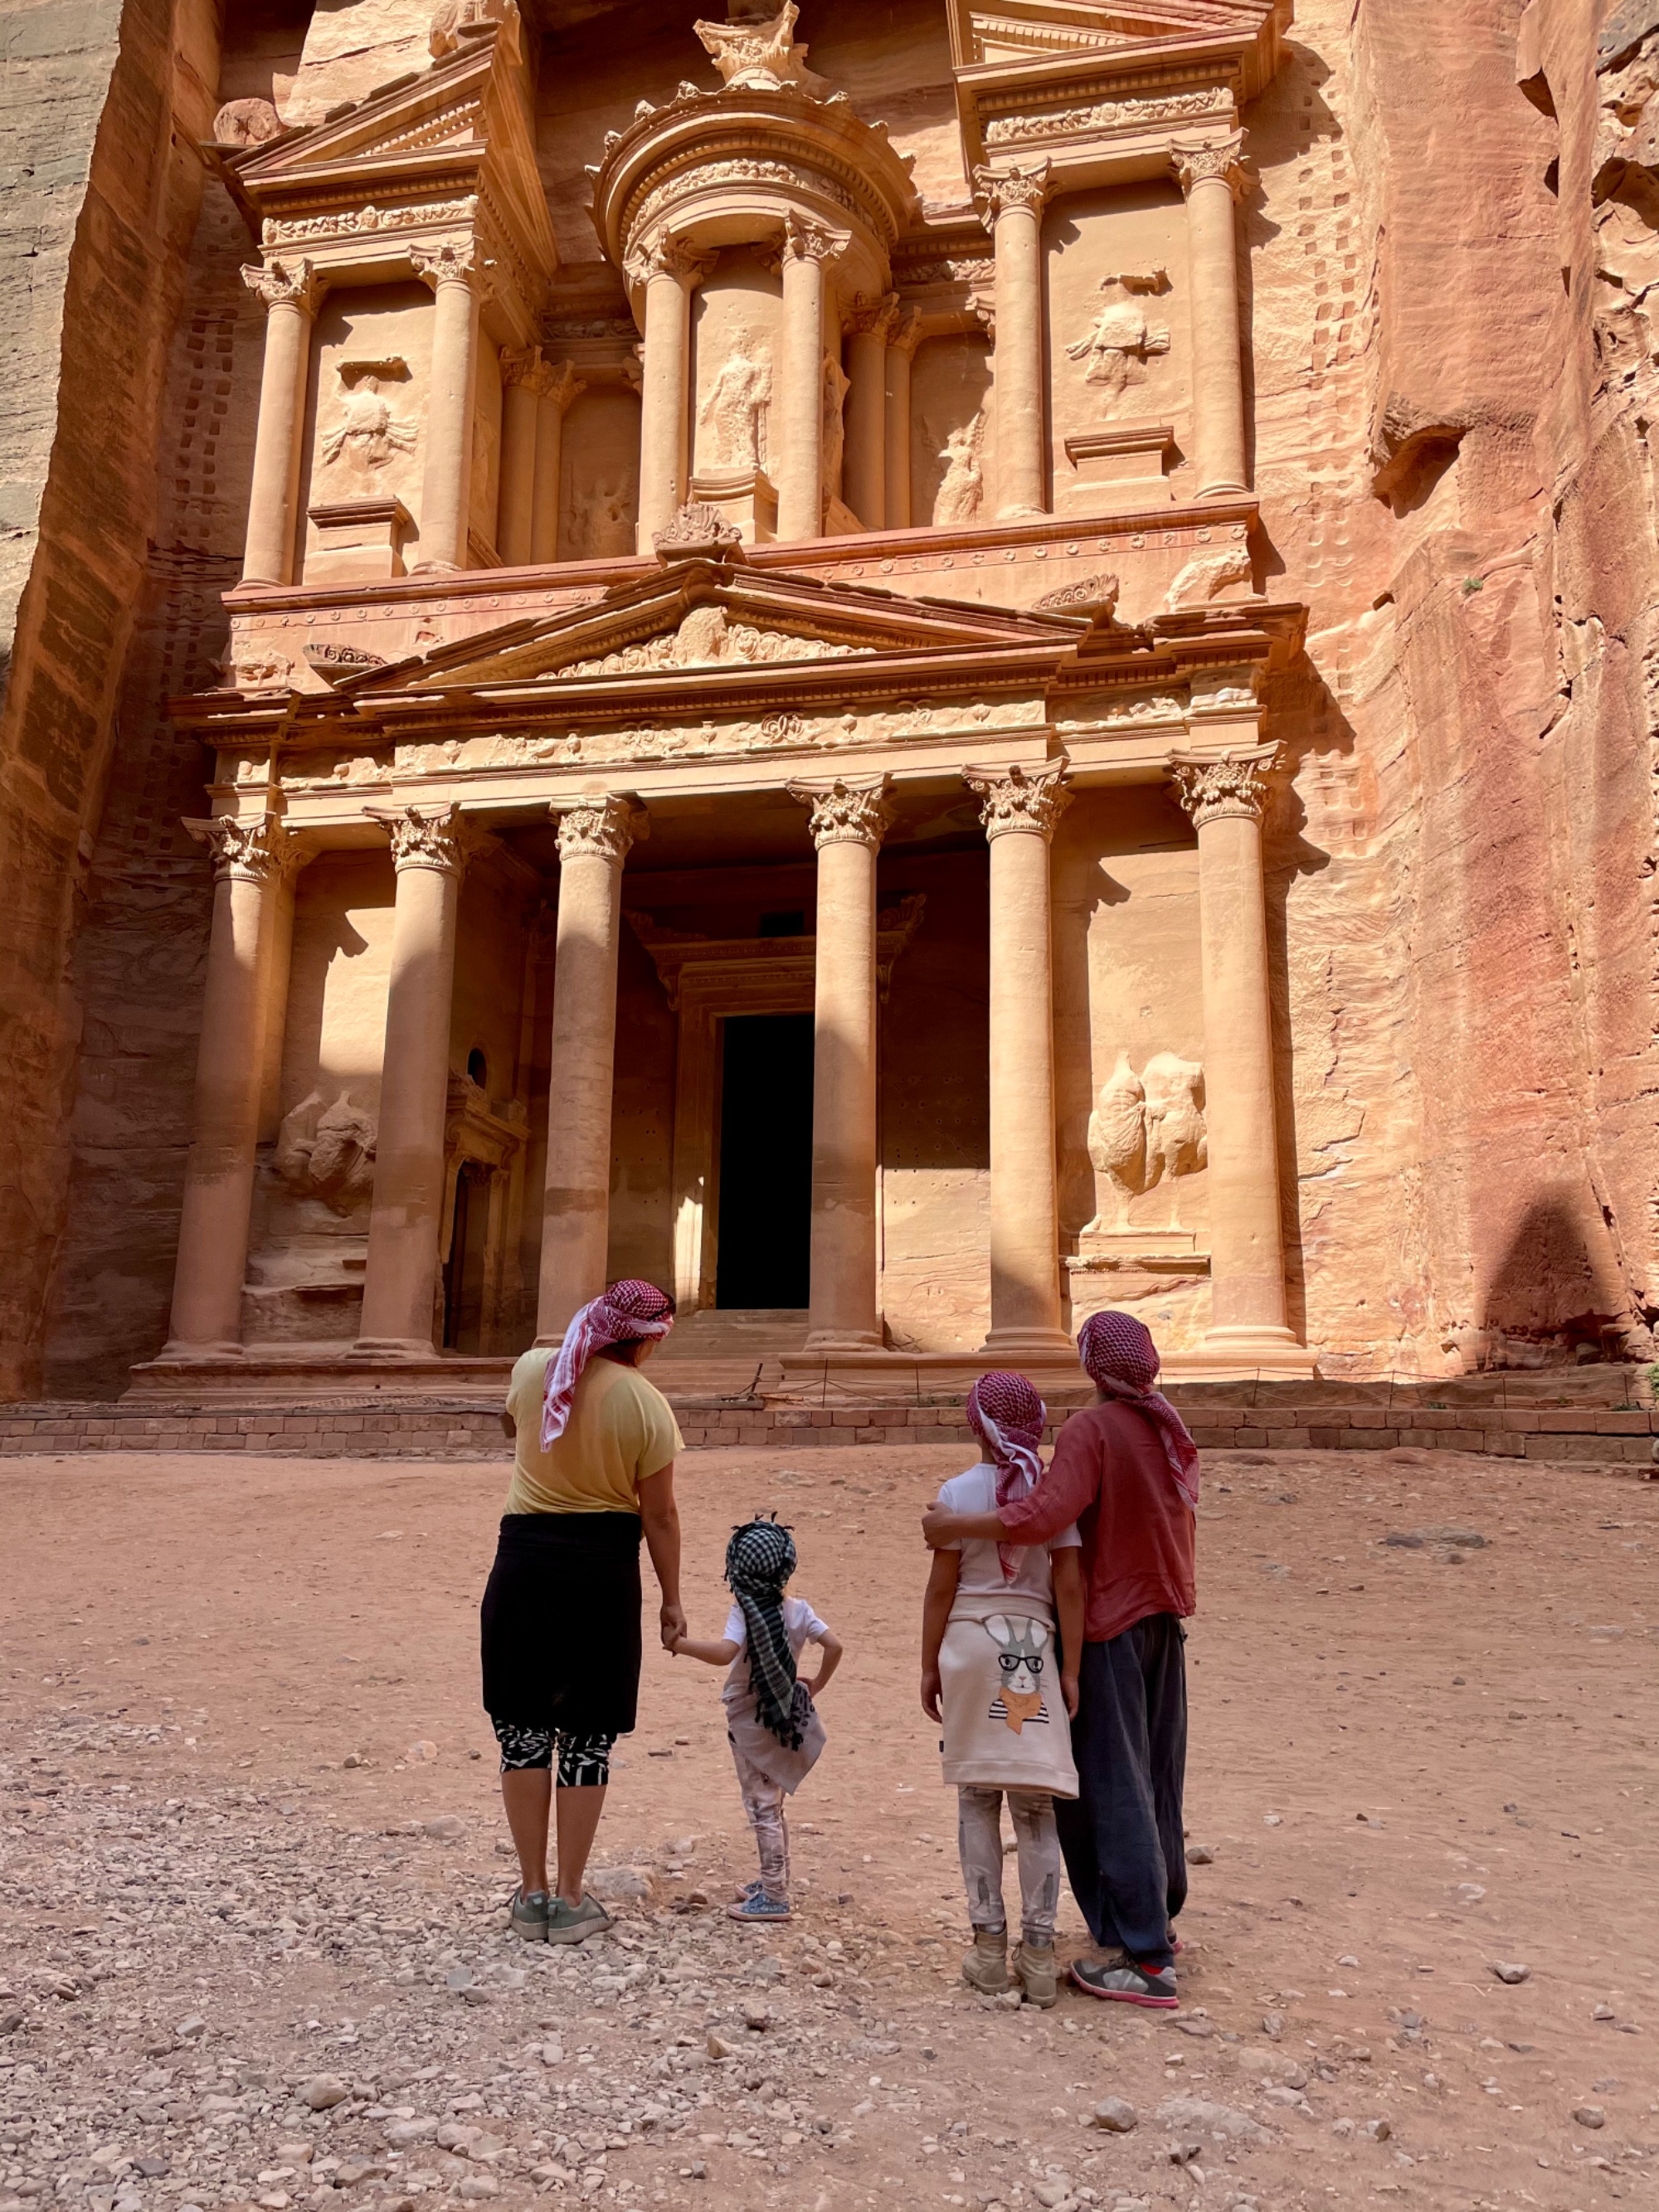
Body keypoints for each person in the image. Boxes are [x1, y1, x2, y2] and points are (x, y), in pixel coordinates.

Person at [922, 1311, 1198, 2009]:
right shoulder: (1164, 1427)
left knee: (1111, 1783)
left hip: (1109, 1623)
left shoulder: (1092, 1432)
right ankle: (1151, 1916)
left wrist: (954, 1526)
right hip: (1164, 1616)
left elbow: (1044, 1517)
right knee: (1156, 1771)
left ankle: (1148, 1958)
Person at [482, 1279, 686, 1945]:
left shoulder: (535, 1368)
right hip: (601, 1568)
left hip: (524, 1560)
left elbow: (516, 1423)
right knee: (587, 1738)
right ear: (649, 1339)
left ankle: (530, 1892)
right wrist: (672, 1599)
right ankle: (572, 1898)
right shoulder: (647, 1404)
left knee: (522, 1730)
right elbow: (657, 1514)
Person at [921, 1371, 1085, 2008]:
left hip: (967, 1645)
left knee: (976, 1797)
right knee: (1037, 1807)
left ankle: (988, 1949)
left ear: (974, 1425)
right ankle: (1040, 1956)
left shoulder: (958, 1492)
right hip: (1035, 1651)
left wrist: (929, 1661)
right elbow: (1068, 1585)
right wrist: (1070, 1668)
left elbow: (942, 1586)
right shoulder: (1050, 1493)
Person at [672, 1517, 841, 1923]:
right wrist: (815, 1684)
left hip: (751, 1721)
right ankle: (774, 1878)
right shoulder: (799, 1611)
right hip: (783, 1712)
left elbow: (725, 1652)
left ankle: (775, 1894)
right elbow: (834, 1646)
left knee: (762, 1807)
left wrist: (680, 1644)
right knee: (775, 1803)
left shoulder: (745, 1613)